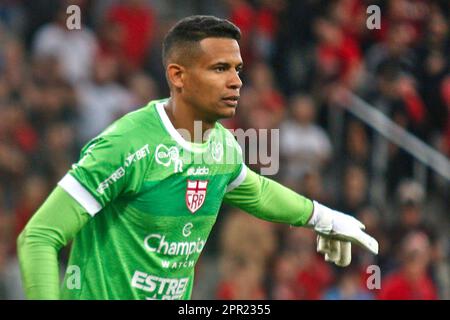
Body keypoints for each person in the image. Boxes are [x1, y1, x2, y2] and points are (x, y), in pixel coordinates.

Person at [17, 15, 378, 300]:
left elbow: (258, 191)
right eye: (220, 69)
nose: (236, 82)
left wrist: (325, 218)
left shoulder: (223, 146)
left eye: (238, 69)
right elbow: (39, 236)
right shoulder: (127, 145)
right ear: (178, 76)